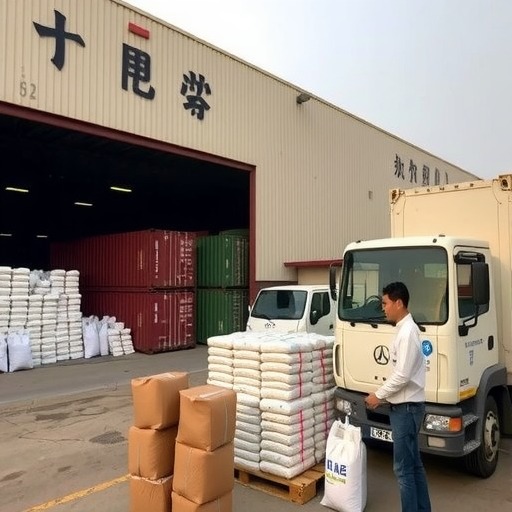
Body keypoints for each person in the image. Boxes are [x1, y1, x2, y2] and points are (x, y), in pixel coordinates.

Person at [365, 281, 431, 512]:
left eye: (385, 303)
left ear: (399, 303)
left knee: (403, 470)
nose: (383, 308)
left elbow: (402, 375)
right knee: (413, 466)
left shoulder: (408, 333)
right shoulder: (404, 330)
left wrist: (378, 396)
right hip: (405, 407)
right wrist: (383, 397)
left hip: (406, 409)